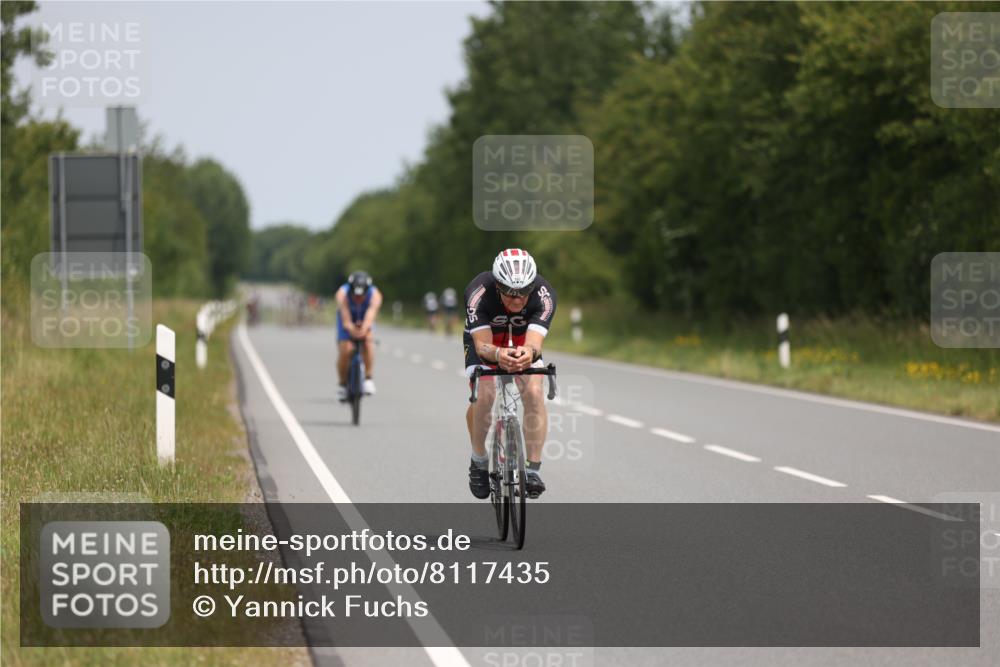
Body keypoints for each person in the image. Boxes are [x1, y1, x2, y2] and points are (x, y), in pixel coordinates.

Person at [463, 248, 557, 499]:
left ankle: (533, 469)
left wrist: (528, 354)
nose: (518, 301)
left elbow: (535, 344)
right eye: (511, 294)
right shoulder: (478, 292)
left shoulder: (544, 294)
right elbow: (482, 347)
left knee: (534, 391)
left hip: (522, 340)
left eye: (524, 293)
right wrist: (497, 356)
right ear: (497, 286)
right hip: (486, 341)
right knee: (485, 395)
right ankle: (479, 460)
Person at [335, 271, 382, 400]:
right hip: (347, 319)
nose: (358, 298)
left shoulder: (375, 295)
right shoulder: (342, 294)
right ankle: (343, 384)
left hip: (365, 318)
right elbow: (345, 318)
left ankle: (368, 378)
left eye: (361, 296)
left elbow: (370, 316)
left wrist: (364, 329)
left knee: (368, 342)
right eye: (355, 295)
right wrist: (350, 328)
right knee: (345, 349)